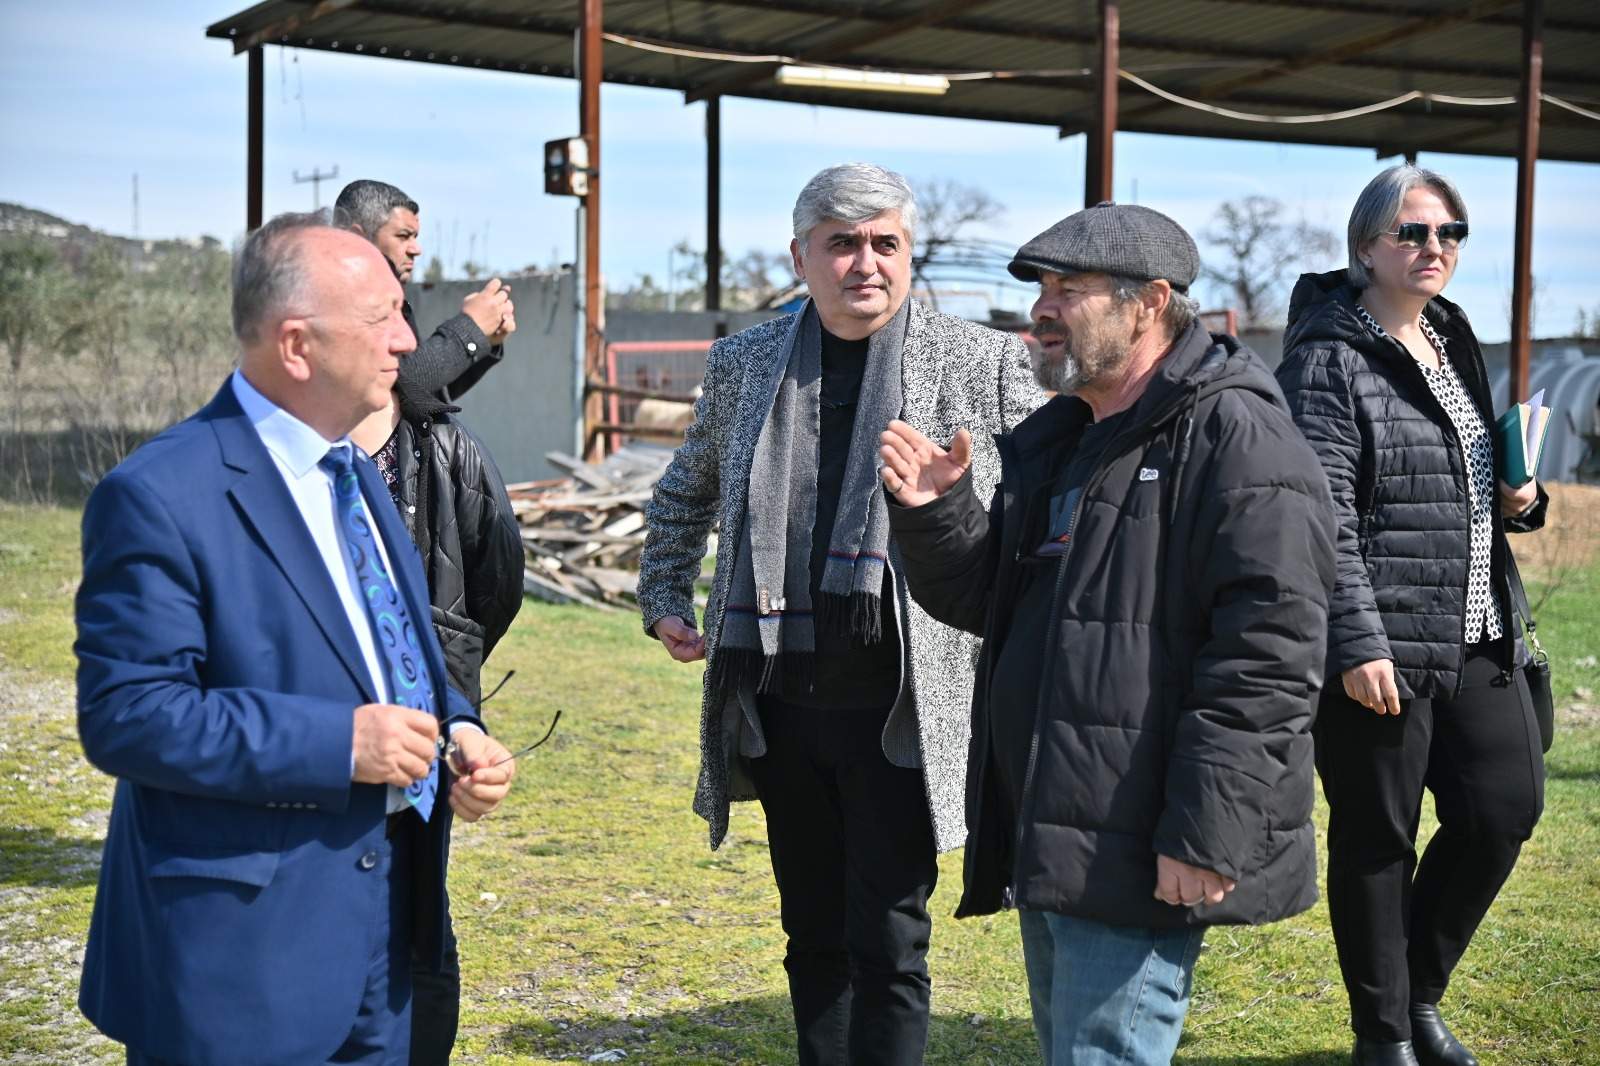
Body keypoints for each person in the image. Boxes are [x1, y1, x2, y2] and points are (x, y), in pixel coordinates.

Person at [878, 202, 1338, 1066]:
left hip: (1141, 833)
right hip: (1060, 825)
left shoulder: (1238, 436)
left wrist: (1205, 833)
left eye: (1071, 289)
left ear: (1151, 302)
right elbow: (993, 604)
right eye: (1042, 288)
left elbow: (1269, 659)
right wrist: (938, 514)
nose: (1042, 308)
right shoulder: (1071, 441)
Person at [74, 212, 517, 1066]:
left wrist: (458, 729)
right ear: (297, 346)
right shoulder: (160, 494)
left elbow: (397, 652)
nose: (405, 342)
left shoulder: (353, 475)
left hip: (383, 937)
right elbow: (128, 715)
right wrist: (340, 743)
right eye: (383, 318)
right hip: (241, 959)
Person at [637, 163, 1043, 1065]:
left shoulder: (985, 362)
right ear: (801, 258)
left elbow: (1049, 508)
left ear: (909, 253)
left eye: (885, 244)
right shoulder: (746, 363)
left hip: (903, 706)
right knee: (812, 934)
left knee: (892, 940)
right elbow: (684, 492)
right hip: (779, 698)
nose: (867, 264)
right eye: (843, 244)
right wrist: (663, 595)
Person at [1276, 166, 1547, 1066]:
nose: (1436, 248)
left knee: (1503, 808)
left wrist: (1521, 498)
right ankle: (1383, 1034)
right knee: (1379, 838)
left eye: (1450, 232)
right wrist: (1354, 642)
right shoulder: (1325, 359)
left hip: (1477, 629)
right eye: (1414, 233)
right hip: (1379, 643)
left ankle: (1418, 991)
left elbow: (1464, 481)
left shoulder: (1451, 336)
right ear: (1365, 248)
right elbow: (1322, 517)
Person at [349, 371, 525, 1066]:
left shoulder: (450, 452)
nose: (401, 347)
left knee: (421, 920)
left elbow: (494, 583)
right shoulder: (291, 469)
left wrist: (458, 713)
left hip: (425, 746)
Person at [334, 178, 516, 400]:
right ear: (357, 238)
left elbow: (428, 396)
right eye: (403, 236)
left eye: (415, 237)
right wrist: (471, 328)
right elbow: (401, 382)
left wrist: (486, 339)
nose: (416, 249)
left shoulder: (388, 296)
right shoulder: (338, 297)